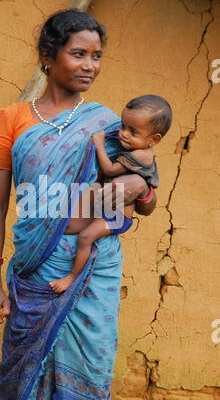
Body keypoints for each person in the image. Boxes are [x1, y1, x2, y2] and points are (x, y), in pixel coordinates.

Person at [0, 9, 156, 400]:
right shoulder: (11, 120)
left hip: (92, 267)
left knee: (86, 366)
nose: (90, 66)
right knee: (27, 373)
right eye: (79, 54)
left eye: (97, 56)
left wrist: (139, 190)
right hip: (35, 269)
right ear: (47, 55)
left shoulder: (110, 125)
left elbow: (145, 202)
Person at [49, 94, 172, 293]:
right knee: (85, 235)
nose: (123, 134)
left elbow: (110, 170)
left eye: (133, 131)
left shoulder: (139, 154)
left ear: (154, 139)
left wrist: (99, 143)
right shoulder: (136, 148)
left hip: (117, 217)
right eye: (123, 126)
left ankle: (72, 277)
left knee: (86, 237)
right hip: (108, 211)